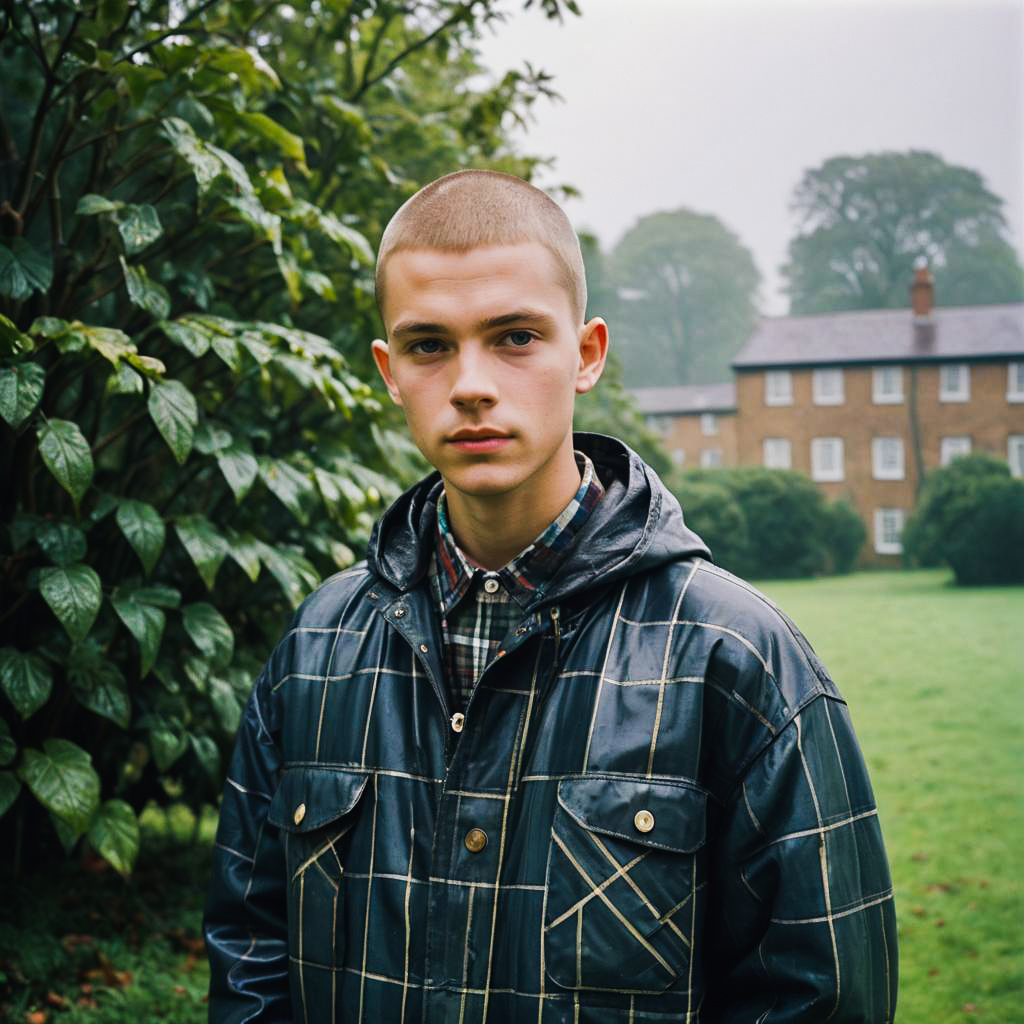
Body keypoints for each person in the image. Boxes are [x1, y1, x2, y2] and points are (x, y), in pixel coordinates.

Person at [204, 170, 898, 1023]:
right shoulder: (316, 648)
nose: (470, 383)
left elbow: (821, 997)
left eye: (515, 336)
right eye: (428, 345)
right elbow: (250, 951)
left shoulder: (736, 658)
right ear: (388, 370)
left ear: (588, 352)